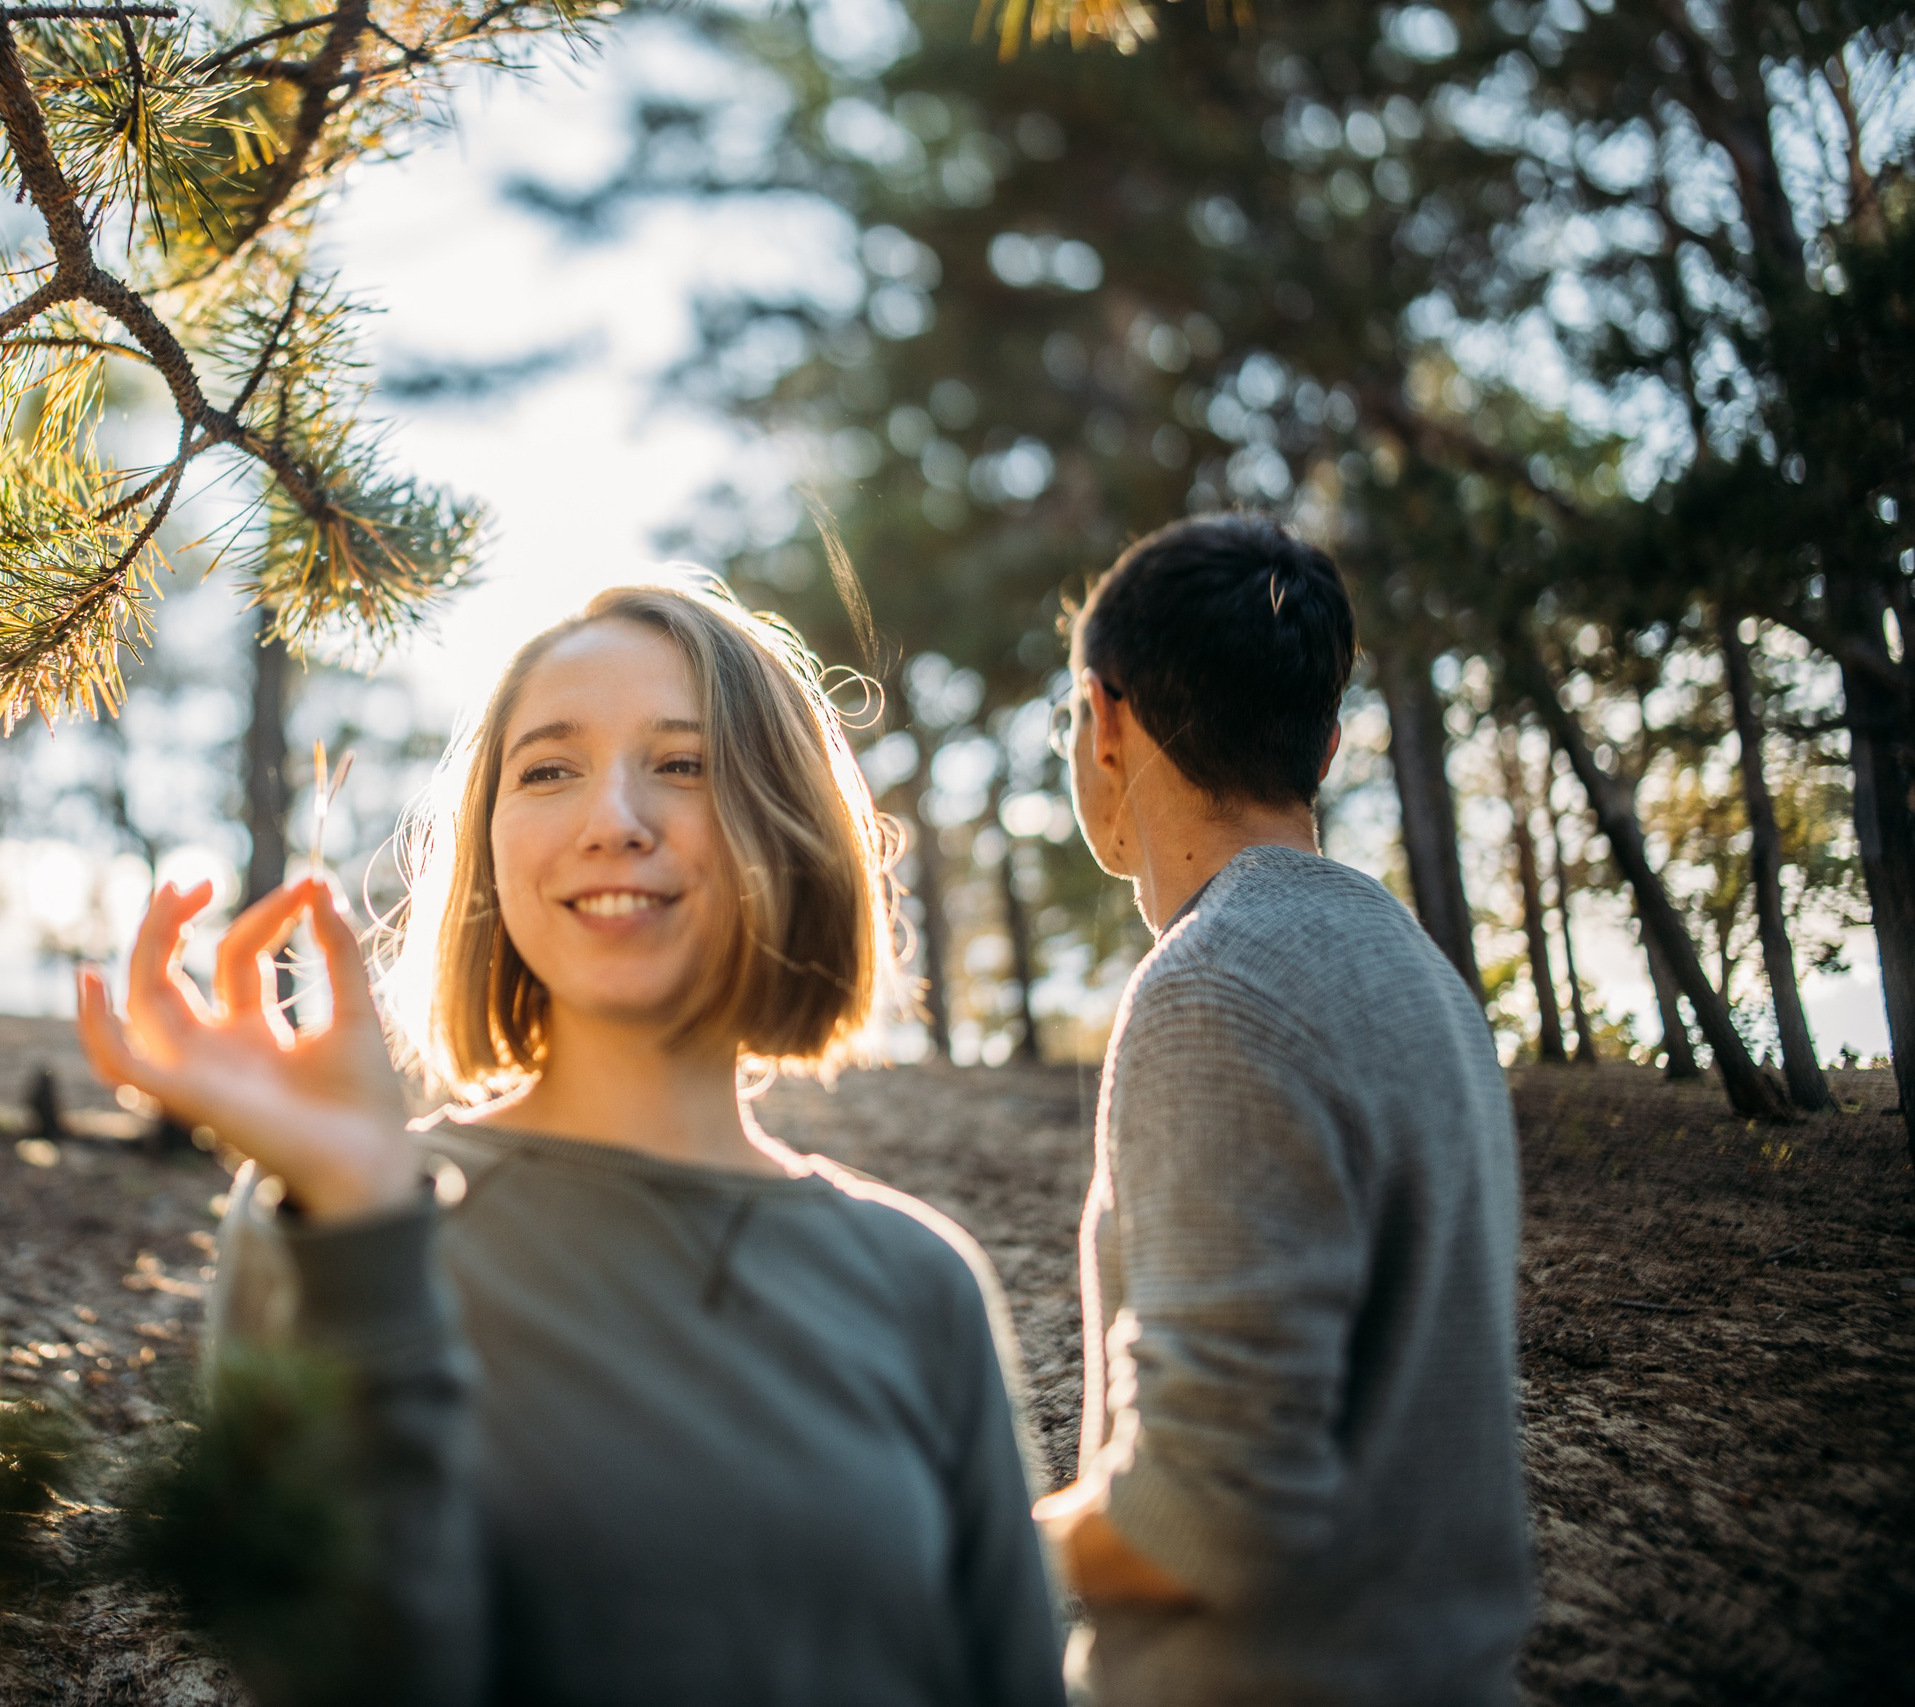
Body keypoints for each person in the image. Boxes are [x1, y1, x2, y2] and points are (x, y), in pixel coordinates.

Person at [79, 581, 1068, 1707]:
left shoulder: (922, 1281)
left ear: (788, 824)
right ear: (489, 845)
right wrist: (361, 1219)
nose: (614, 820)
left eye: (683, 763)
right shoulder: (323, 1226)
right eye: (548, 769)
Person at [1032, 515, 1535, 1706]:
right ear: (1327, 742)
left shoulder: (1212, 986)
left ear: (1104, 719)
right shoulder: (1421, 976)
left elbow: (1206, 1516)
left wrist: (951, 1548)